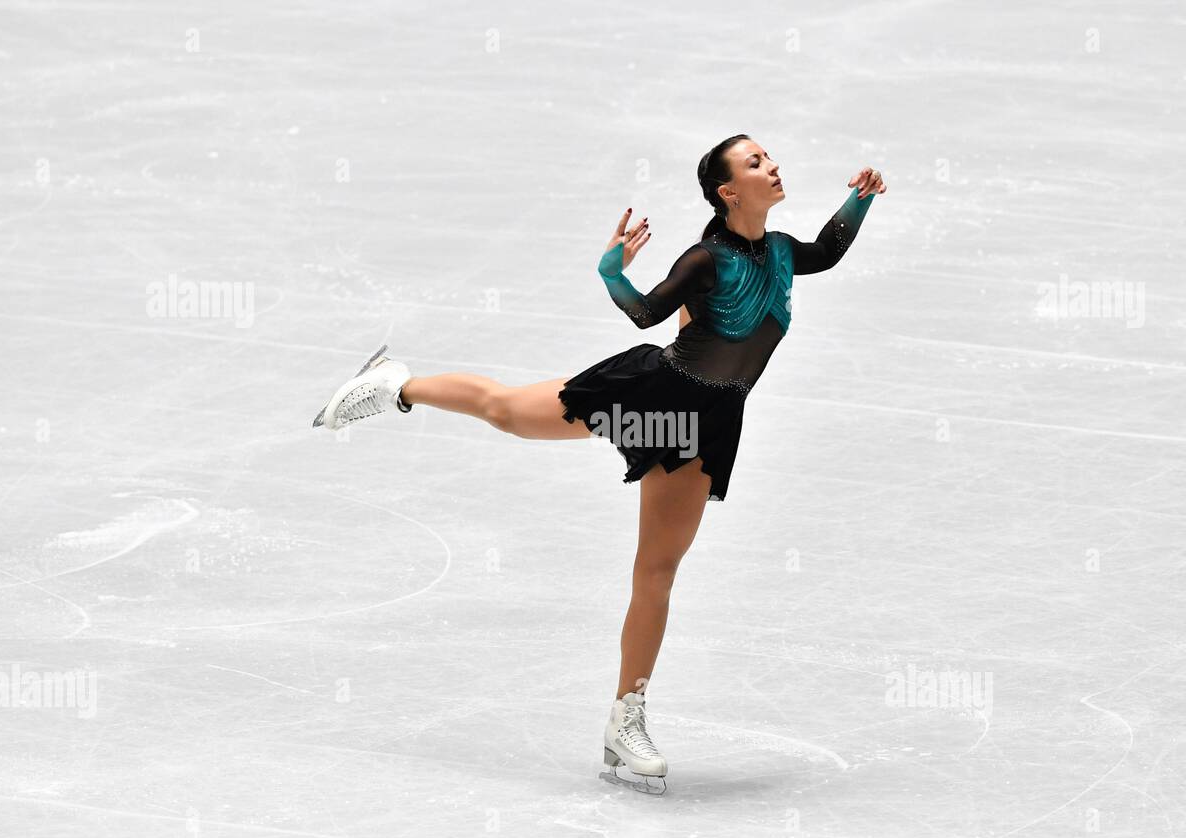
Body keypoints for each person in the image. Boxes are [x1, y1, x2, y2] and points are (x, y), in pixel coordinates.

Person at [312, 134, 884, 794]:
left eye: (767, 157)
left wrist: (860, 197)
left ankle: (626, 716)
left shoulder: (781, 252)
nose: (773, 165)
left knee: (657, 570)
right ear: (729, 191)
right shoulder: (707, 259)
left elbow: (828, 250)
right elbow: (646, 312)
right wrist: (613, 270)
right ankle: (395, 385)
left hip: (707, 423)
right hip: (652, 395)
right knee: (507, 412)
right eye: (755, 163)